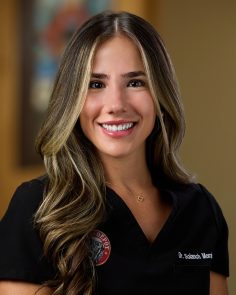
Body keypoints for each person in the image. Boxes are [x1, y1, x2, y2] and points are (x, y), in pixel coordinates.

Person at [0, 11, 229, 295]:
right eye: (96, 84)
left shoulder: (201, 210)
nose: (116, 104)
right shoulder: (37, 208)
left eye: (135, 82)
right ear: (73, 98)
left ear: (160, 93)